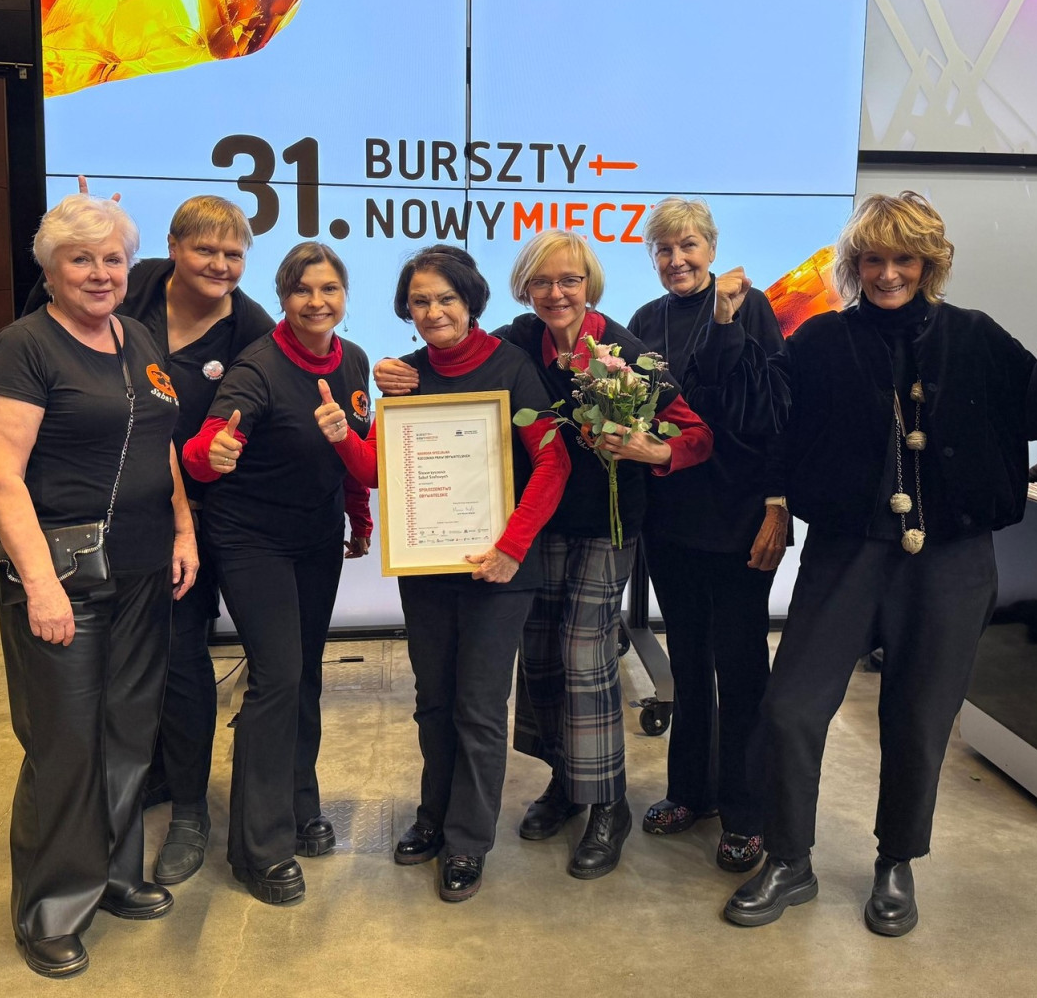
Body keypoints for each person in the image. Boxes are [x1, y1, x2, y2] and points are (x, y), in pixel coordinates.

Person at [694, 191, 1037, 935]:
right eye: (874, 259)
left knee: (920, 718)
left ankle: (896, 862)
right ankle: (790, 860)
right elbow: (756, 411)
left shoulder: (975, 336)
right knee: (791, 707)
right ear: (856, 264)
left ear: (930, 264)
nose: (889, 273)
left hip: (952, 560)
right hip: (845, 554)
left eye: (905, 259)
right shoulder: (821, 340)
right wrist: (728, 325)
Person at [375, 230, 714, 880]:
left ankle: (607, 804)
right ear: (524, 288)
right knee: (539, 662)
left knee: (584, 657)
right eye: (542, 282)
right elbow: (459, 359)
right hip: (536, 525)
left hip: (604, 525)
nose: (556, 293)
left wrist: (656, 450)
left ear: (590, 285)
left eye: (570, 280)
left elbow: (696, 434)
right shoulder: (519, 341)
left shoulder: (623, 352)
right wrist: (398, 371)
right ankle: (567, 780)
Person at [0, 194, 198, 978]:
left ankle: (113, 875)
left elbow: (159, 442)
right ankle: (50, 909)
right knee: (65, 743)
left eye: (112, 259)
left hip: (142, 568)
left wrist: (183, 529)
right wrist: (39, 585)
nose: (100, 273)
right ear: (50, 269)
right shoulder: (25, 347)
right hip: (62, 574)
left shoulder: (137, 337)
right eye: (81, 259)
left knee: (128, 730)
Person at [32, 190, 276, 886]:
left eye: (233, 253)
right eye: (205, 249)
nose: (220, 264)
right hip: (118, 520)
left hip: (205, 520)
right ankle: (149, 777)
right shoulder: (128, 293)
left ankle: (191, 808)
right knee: (133, 667)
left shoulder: (250, 328)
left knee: (184, 659)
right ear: (172, 249)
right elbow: (47, 322)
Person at [317, 245, 569, 901]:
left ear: (470, 301)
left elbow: (554, 463)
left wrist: (512, 547)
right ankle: (433, 816)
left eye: (445, 299)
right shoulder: (407, 377)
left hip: (500, 570)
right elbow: (378, 471)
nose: (433, 312)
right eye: (420, 301)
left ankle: (467, 841)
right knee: (433, 704)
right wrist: (343, 434)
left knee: (478, 709)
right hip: (428, 567)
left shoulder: (511, 367)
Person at [181, 241, 371, 906]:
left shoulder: (353, 359)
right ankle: (256, 849)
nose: (317, 301)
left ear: (344, 295)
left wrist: (358, 517)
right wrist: (211, 453)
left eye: (329, 289)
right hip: (251, 538)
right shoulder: (257, 367)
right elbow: (205, 448)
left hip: (315, 537)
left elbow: (351, 450)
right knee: (278, 676)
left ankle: (298, 804)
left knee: (305, 671)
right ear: (283, 298)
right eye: (301, 290)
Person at [625, 198, 787, 873]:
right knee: (689, 662)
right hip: (673, 520)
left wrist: (779, 503)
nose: (676, 260)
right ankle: (691, 791)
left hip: (742, 516)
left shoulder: (750, 307)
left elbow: (775, 411)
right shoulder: (645, 320)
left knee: (740, 666)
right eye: (663, 250)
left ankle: (748, 812)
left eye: (688, 246)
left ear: (712, 249)